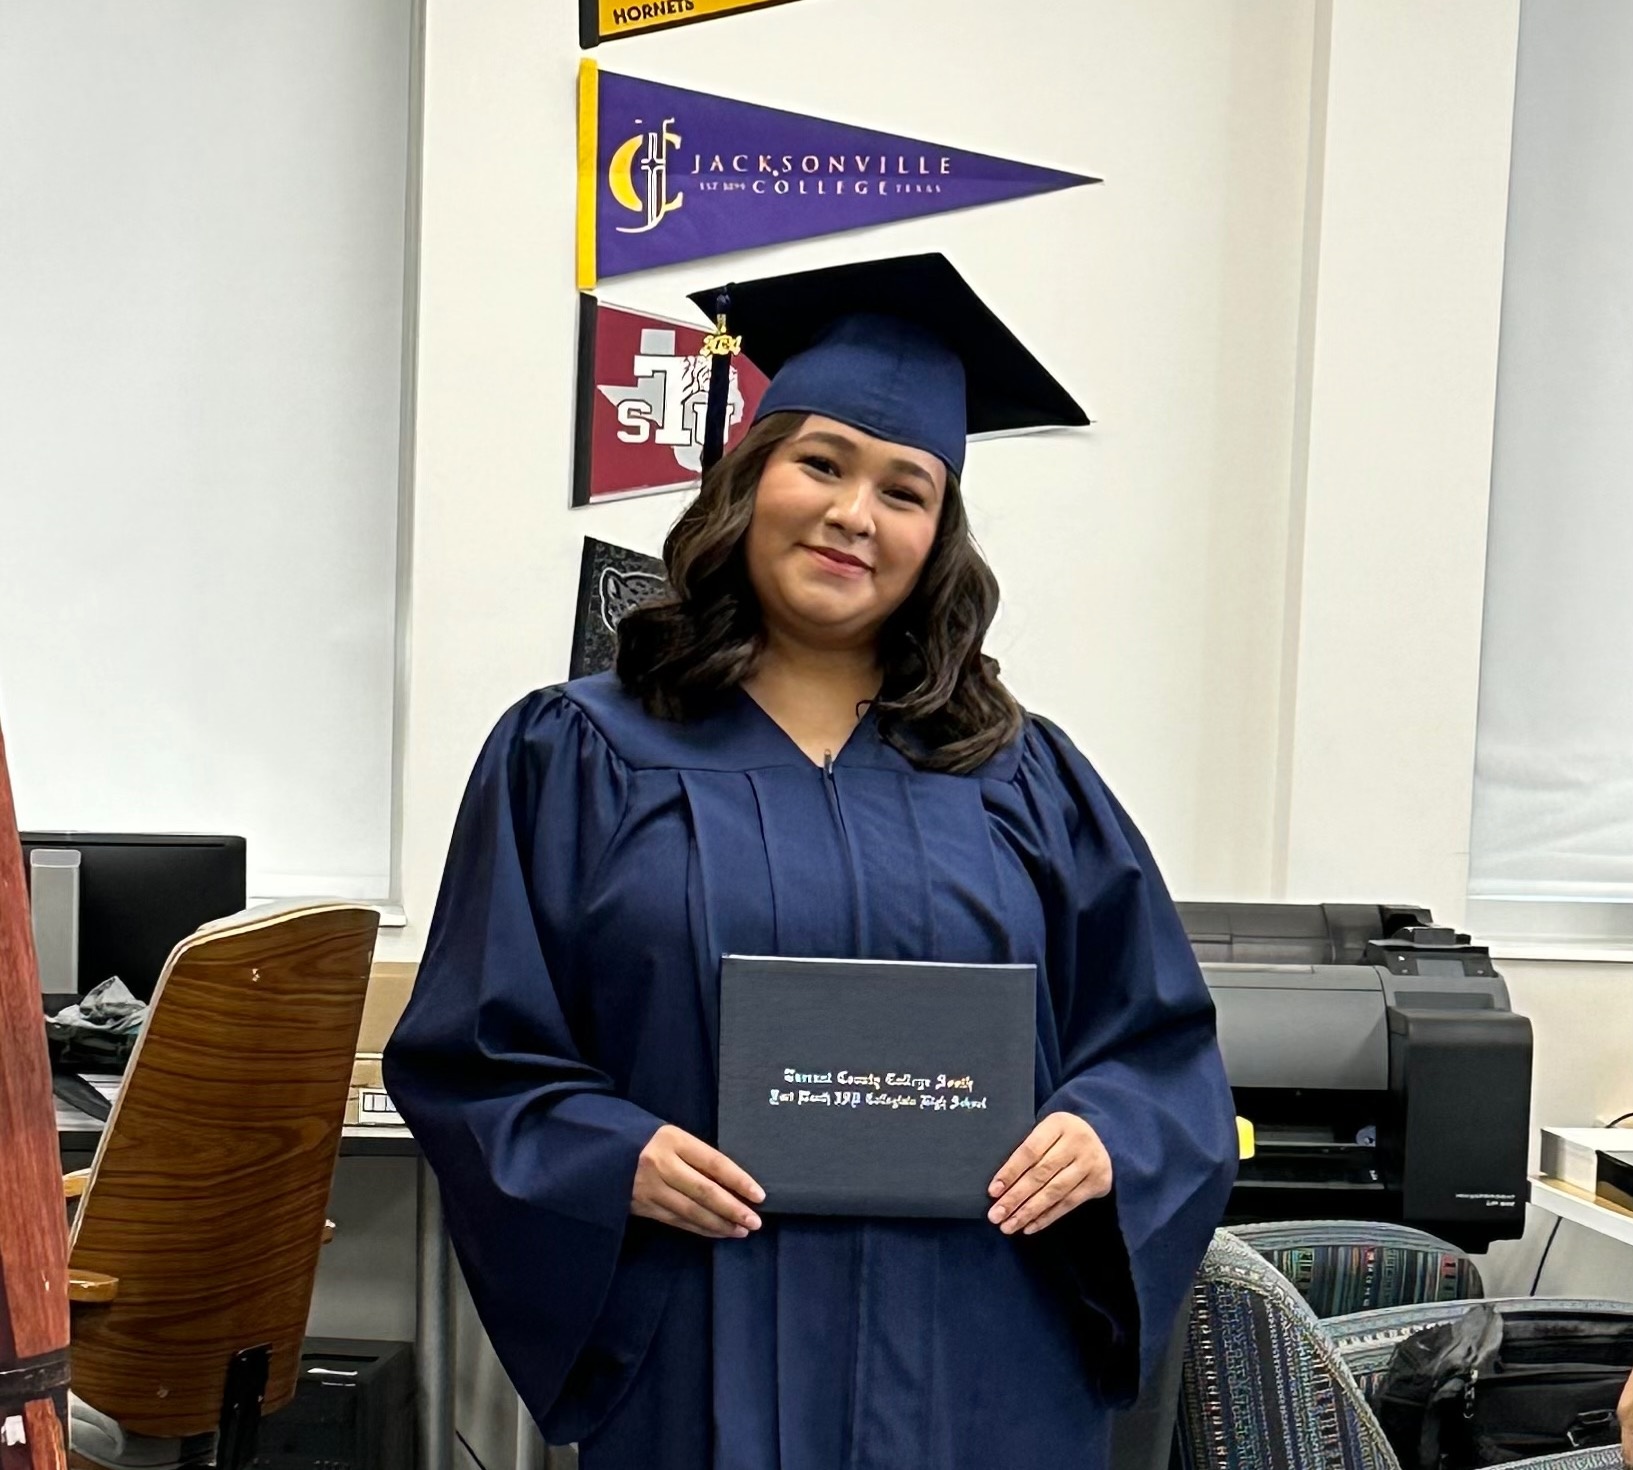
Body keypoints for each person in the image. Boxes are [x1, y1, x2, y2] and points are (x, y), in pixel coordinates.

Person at [383, 252, 1239, 1469]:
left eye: (905, 490)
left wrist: (1107, 1131)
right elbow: (473, 1056)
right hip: (702, 1342)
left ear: (937, 537)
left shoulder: (1024, 778)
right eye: (821, 464)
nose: (854, 514)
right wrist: (605, 1155)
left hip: (981, 1363)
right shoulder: (572, 754)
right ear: (748, 479)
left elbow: (1160, 1051)